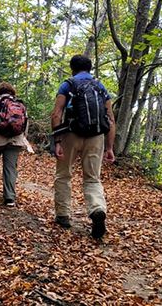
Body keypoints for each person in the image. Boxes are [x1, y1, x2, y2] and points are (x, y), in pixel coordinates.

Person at [50, 55, 116, 239]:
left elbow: (56, 114)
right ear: (90, 68)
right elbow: (110, 119)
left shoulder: (68, 85)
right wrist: (109, 147)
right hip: (96, 137)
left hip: (71, 134)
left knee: (64, 174)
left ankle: (63, 215)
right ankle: (97, 209)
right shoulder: (100, 87)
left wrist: (57, 141)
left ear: (72, 68)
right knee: (92, 178)